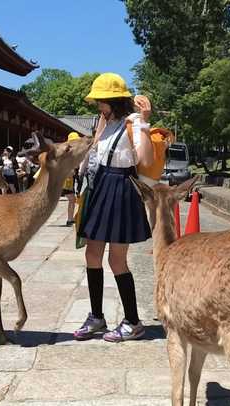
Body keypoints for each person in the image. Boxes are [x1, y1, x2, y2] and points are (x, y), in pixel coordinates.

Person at [74, 73, 154, 342]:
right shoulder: (104, 122)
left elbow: (144, 158)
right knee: (92, 254)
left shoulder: (133, 122)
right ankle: (97, 317)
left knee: (116, 259)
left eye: (101, 101)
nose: (98, 105)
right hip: (101, 185)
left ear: (113, 100)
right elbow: (95, 152)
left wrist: (144, 122)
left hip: (121, 187)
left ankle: (133, 321)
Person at [63, 132, 82, 226]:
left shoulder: (70, 151)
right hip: (65, 180)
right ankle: (69, 219)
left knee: (72, 199)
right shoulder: (68, 152)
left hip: (68, 180)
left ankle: (70, 219)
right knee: (72, 199)